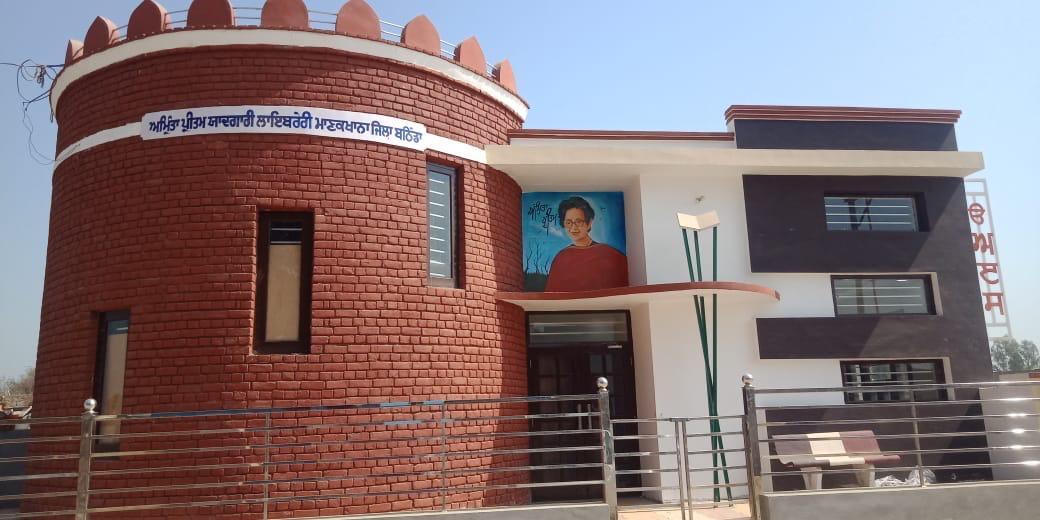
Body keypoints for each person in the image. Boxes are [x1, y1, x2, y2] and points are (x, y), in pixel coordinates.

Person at [544, 196, 629, 291]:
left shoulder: (610, 254)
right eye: (568, 222)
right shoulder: (561, 258)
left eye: (578, 221)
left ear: (589, 223)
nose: (573, 227)